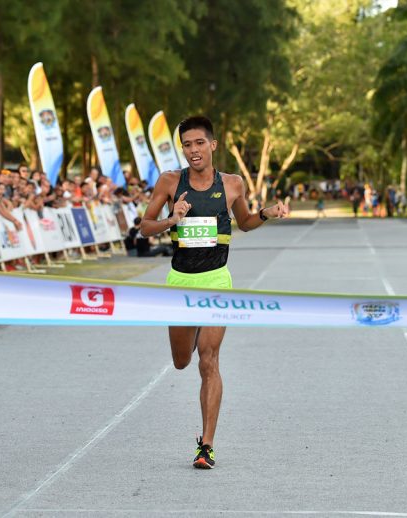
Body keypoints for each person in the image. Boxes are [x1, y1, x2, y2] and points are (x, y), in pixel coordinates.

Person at [140, 116, 289, 469]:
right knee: (181, 361)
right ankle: (190, 334)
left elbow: (246, 222)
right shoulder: (170, 182)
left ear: (212, 145)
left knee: (210, 361)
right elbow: (145, 228)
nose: (193, 150)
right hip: (180, 283)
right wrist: (172, 220)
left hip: (216, 282)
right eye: (187, 145)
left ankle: (206, 446)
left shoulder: (233, 184)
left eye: (198, 143)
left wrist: (266, 213)